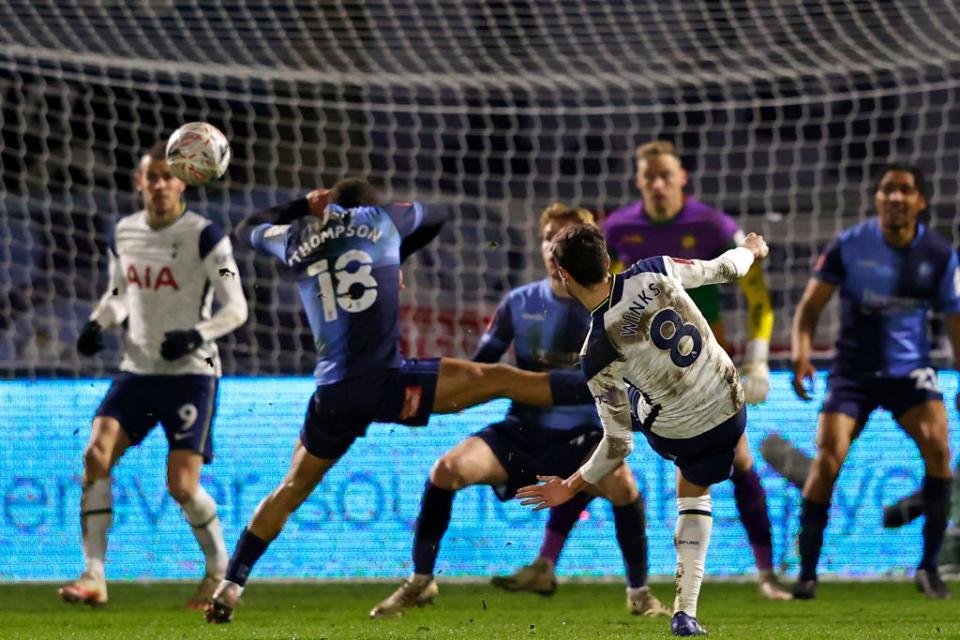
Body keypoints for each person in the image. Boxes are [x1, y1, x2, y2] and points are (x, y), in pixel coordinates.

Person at [205, 179, 592, 623]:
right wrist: (393, 257)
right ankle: (605, 385)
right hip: (388, 384)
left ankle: (230, 586)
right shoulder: (383, 221)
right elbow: (439, 214)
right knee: (500, 378)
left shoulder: (294, 236)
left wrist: (302, 206)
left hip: (331, 393)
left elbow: (245, 228)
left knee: (291, 488)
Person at [497, 140, 790, 600]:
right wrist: (753, 251)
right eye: (648, 177)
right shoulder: (641, 253)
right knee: (686, 463)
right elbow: (730, 270)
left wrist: (760, 356)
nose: (656, 184)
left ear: (682, 178)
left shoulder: (712, 223)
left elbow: (756, 296)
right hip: (704, 378)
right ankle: (554, 563)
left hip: (669, 382)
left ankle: (764, 574)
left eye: (665, 176)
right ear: (637, 182)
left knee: (613, 444)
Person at [369, 204, 669, 619]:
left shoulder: (619, 308)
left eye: (563, 239)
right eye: (549, 238)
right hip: (522, 433)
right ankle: (421, 580)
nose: (553, 247)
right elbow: (482, 369)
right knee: (446, 470)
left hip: (583, 438)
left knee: (623, 486)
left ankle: (640, 594)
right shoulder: (519, 302)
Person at [517, 224, 770, 637]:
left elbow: (618, 445)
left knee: (621, 401)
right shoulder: (656, 269)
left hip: (682, 432)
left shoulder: (596, 350)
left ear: (564, 274)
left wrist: (572, 484)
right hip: (731, 403)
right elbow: (725, 269)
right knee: (695, 487)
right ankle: (684, 614)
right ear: (605, 258)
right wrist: (750, 249)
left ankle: (685, 609)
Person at [58, 142, 249, 609]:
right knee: (96, 456)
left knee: (181, 486)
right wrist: (98, 323)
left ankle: (218, 573)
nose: (161, 184)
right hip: (137, 371)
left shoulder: (206, 235)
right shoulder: (124, 232)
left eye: (169, 176)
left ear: (184, 179)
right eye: (153, 176)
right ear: (140, 183)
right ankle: (94, 575)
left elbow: (237, 309)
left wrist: (195, 335)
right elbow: (119, 292)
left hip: (192, 374)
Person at [790, 163, 958, 600]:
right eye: (887, 190)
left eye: (905, 190)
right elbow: (809, 308)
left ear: (920, 201)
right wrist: (802, 353)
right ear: (877, 199)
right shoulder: (850, 244)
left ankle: (928, 568)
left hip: (910, 372)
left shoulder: (939, 255)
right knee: (828, 459)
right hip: (853, 372)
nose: (895, 197)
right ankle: (806, 573)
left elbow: (956, 320)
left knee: (940, 447)